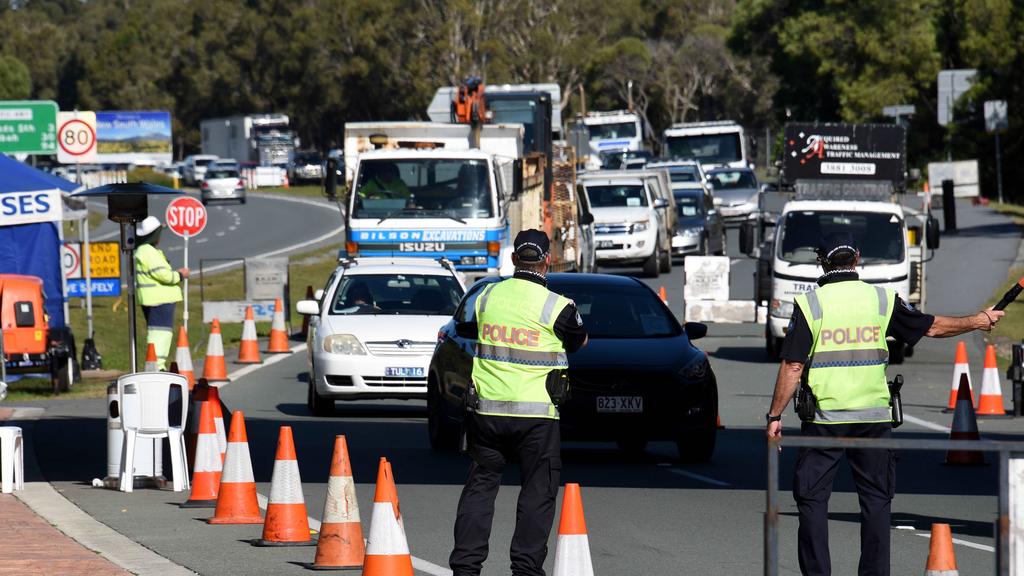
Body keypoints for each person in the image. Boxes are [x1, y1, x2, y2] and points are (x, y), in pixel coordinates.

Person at [765, 231, 1004, 576]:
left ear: (822, 263)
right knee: (876, 500)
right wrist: (978, 321)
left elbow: (792, 365)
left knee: (812, 500)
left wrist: (775, 415)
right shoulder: (881, 300)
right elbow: (933, 328)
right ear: (857, 258)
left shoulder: (811, 304)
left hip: (824, 420)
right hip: (874, 416)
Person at [449, 229, 588, 576]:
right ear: (547, 260)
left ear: (513, 260)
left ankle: (466, 569)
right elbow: (579, 341)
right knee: (537, 494)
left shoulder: (486, 297)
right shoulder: (557, 306)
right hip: (537, 417)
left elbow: (466, 327)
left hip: (486, 411)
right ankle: (525, 570)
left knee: (480, 489)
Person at [134, 216, 188, 370]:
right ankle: (157, 365)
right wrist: (180, 275)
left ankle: (156, 364)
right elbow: (163, 274)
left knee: (160, 333)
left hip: (155, 299)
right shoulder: (148, 251)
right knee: (161, 334)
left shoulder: (145, 251)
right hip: (159, 300)